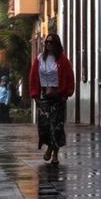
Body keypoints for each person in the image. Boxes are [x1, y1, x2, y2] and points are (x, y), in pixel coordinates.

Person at [30, 34, 75, 165]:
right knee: (44, 126)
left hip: (58, 96)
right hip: (44, 97)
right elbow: (33, 77)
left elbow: (69, 77)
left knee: (57, 126)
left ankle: (54, 153)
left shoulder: (63, 60)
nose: (48, 44)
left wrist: (65, 93)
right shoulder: (40, 59)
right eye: (47, 42)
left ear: (56, 44)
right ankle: (49, 146)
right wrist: (35, 95)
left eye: (51, 42)